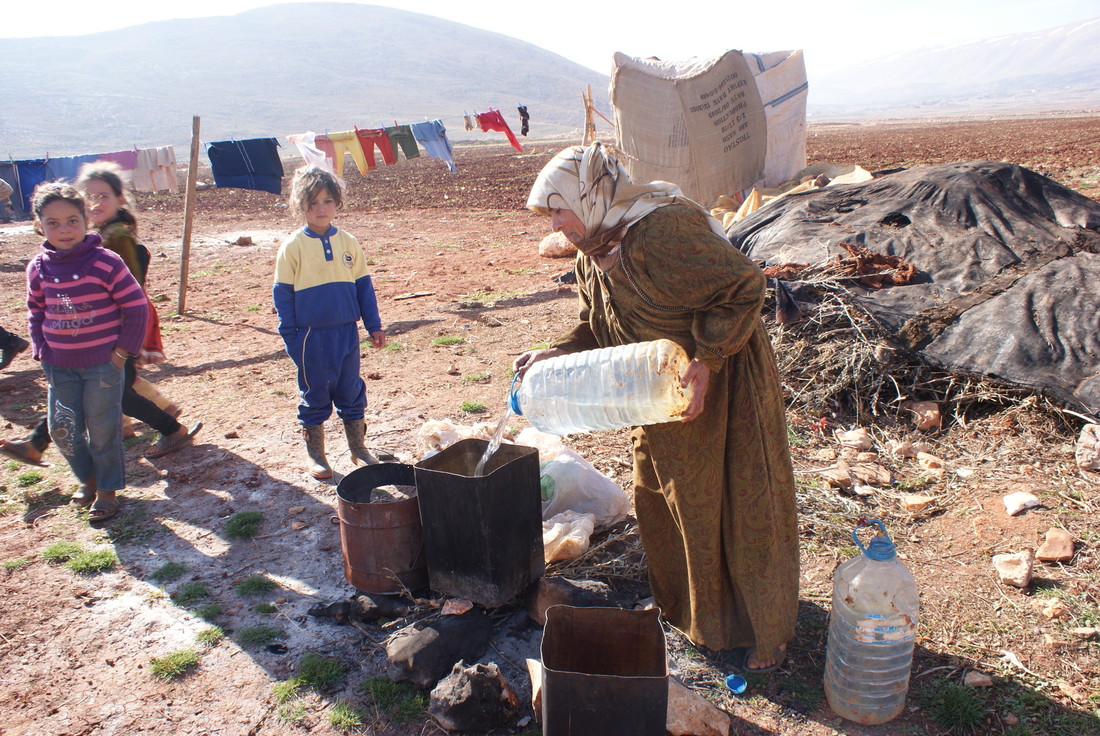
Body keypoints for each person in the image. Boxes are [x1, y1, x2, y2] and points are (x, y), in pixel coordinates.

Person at [515, 143, 799, 673]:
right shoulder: (593, 250)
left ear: (591, 197)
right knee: (667, 499)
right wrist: (556, 352)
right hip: (657, 393)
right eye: (548, 214)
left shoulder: (660, 232)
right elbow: (598, 325)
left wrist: (709, 359)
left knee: (739, 502)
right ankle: (692, 613)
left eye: (559, 209)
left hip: (721, 379)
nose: (554, 225)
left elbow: (745, 286)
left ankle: (763, 630)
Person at [25, 182, 148, 522]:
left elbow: (136, 307)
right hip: (58, 365)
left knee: (103, 429)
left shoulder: (104, 262)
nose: (64, 230)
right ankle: (88, 478)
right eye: (53, 223)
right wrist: (41, 349)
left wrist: (121, 354)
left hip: (102, 366)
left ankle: (107, 490)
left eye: (72, 221)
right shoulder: (38, 267)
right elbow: (36, 311)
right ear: (39, 225)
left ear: (86, 221)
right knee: (61, 429)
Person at [75, 163, 200, 458]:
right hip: (113, 323)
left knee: (116, 385)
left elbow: (130, 286)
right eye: (89, 196)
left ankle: (169, 426)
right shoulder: (102, 233)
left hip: (120, 324)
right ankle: (149, 420)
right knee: (118, 383)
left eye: (103, 196)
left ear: (119, 199)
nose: (95, 202)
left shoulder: (116, 236)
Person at [273, 165, 388, 479]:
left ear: (337, 202)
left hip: (346, 332)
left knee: (351, 389)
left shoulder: (348, 242)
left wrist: (373, 325)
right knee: (315, 393)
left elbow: (364, 288)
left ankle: (358, 447)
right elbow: (282, 297)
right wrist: (292, 338)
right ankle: (317, 455)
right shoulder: (292, 247)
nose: (321, 208)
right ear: (300, 206)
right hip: (311, 336)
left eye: (327, 201)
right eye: (312, 203)